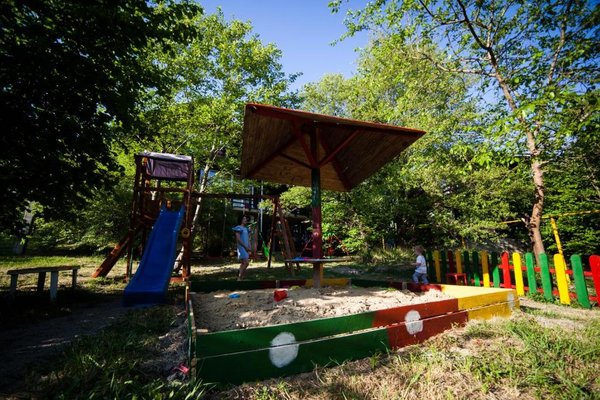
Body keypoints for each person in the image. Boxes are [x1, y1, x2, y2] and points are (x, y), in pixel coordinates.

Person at [232, 215, 251, 280]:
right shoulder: (238, 227)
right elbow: (238, 239)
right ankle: (239, 278)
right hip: (241, 247)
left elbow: (248, 238)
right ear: (241, 220)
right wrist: (245, 247)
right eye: (244, 219)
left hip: (246, 247)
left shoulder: (246, 228)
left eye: (246, 219)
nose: (246, 220)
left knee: (243, 263)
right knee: (246, 263)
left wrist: (249, 246)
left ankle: (241, 276)